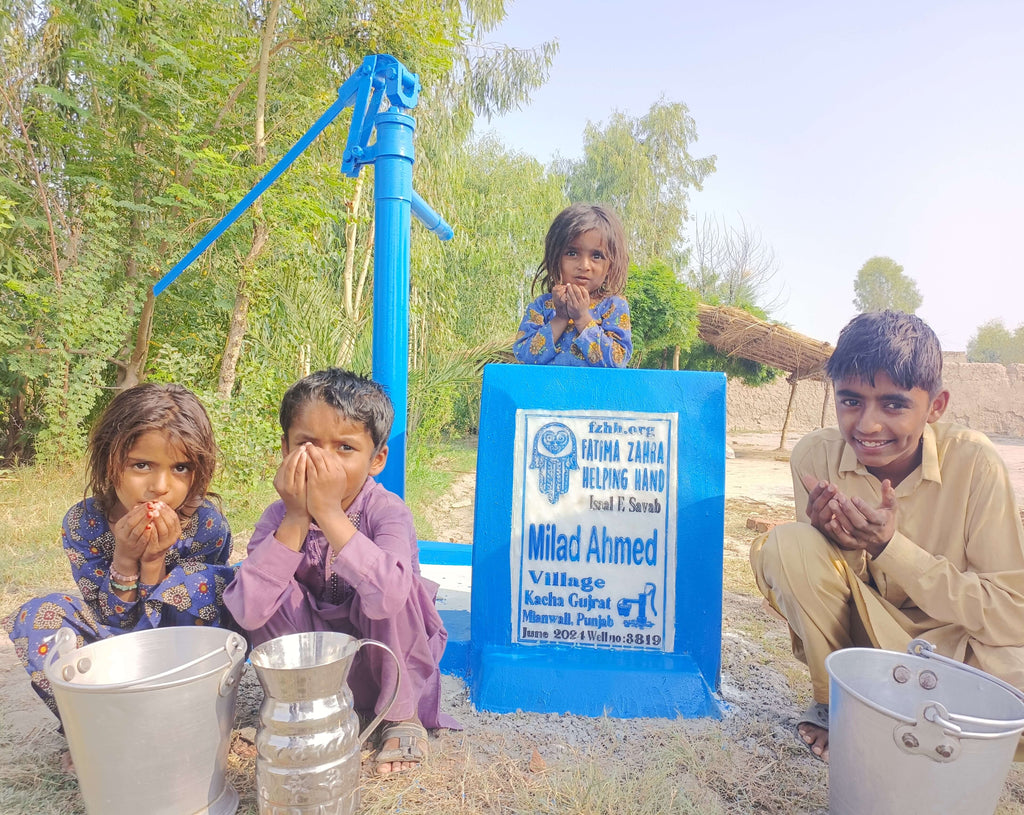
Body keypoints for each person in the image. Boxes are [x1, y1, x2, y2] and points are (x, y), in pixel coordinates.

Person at [750, 310, 1024, 763]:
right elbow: (831, 587)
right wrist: (836, 545)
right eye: (850, 401)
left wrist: (891, 549)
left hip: (955, 647)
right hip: (864, 644)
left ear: (935, 406)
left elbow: (1012, 615)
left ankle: (892, 716)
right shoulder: (814, 456)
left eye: (893, 405)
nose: (867, 425)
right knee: (789, 545)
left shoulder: (975, 462)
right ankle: (839, 707)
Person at [223, 368, 458, 776]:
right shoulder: (278, 516)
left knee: (397, 586)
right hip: (315, 677)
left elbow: (389, 598)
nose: (323, 460)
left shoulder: (386, 511)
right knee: (265, 585)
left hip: (380, 662)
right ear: (285, 449)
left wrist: (330, 514)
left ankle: (401, 717)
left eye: (344, 448)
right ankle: (298, 711)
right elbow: (247, 610)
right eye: (307, 444)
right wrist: (297, 518)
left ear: (377, 459)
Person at [4, 384, 236, 724]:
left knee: (209, 581)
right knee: (40, 614)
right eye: (142, 465)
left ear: (199, 471)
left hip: (181, 663)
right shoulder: (85, 523)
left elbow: (198, 631)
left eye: (181, 468)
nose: (160, 485)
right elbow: (112, 621)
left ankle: (184, 719)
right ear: (109, 461)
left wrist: (155, 561)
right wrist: (125, 558)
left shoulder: (206, 526)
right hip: (112, 659)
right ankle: (96, 731)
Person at [513, 203, 632, 367]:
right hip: (547, 392)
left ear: (611, 264)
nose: (584, 265)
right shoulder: (541, 306)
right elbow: (523, 355)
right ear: (556, 258)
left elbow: (617, 361)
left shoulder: (613, 306)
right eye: (572, 253)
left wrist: (582, 318)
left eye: (596, 256)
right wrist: (560, 317)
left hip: (594, 393)